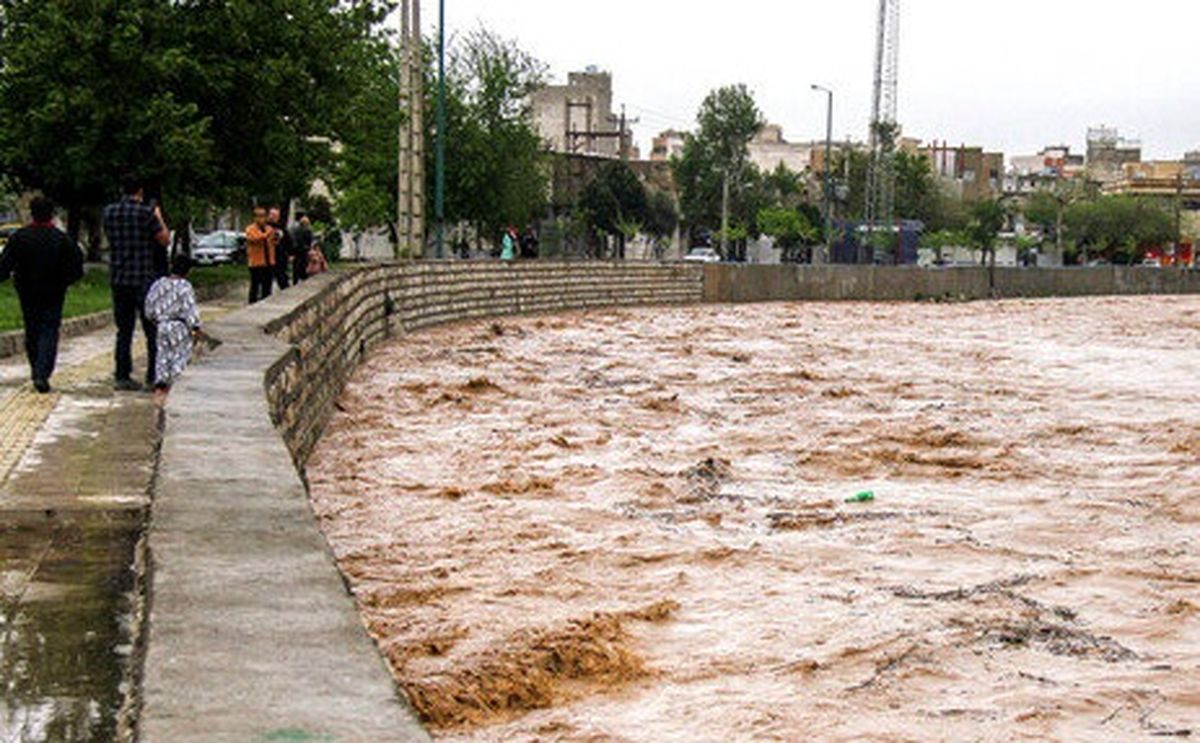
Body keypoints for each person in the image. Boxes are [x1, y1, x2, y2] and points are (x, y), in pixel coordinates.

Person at [0, 197, 84, 393]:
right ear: (52, 214)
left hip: (27, 291)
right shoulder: (61, 239)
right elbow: (76, 268)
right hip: (54, 291)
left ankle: (36, 368)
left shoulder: (20, 237)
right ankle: (42, 372)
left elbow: (5, 265)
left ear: (31, 213)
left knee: (32, 329)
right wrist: (65, 281)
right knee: (49, 329)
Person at [103, 177, 170, 391]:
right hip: (143, 278)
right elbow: (164, 240)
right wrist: (158, 217)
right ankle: (152, 376)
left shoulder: (109, 213)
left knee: (124, 330)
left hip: (119, 277)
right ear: (140, 191)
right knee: (151, 329)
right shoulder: (146, 213)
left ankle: (122, 375)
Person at [144, 253, 201, 405]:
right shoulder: (185, 286)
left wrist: (155, 319)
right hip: (180, 326)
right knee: (179, 357)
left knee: (162, 356)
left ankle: (160, 388)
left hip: (161, 325)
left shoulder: (158, 284)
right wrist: (195, 327)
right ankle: (176, 389)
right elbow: (190, 309)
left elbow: (149, 307)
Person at [245, 206, 277, 304]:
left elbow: (274, 241)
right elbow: (255, 238)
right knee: (255, 286)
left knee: (267, 286)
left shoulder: (269, 228)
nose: (262, 219)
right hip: (256, 263)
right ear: (255, 218)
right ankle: (252, 304)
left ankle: (266, 302)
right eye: (259, 216)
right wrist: (267, 234)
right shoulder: (250, 229)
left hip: (269, 262)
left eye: (263, 216)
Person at [267, 206, 291, 291]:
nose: (272, 217)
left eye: (275, 215)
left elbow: (288, 242)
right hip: (267, 258)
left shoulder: (282, 228)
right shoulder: (264, 227)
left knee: (282, 278)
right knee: (266, 281)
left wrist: (289, 254)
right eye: (271, 215)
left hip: (280, 258)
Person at [290, 214, 314, 284]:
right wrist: (309, 248)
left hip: (296, 251)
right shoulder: (308, 230)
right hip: (304, 251)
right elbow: (310, 241)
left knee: (296, 268)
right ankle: (304, 280)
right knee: (304, 267)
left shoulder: (295, 230)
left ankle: (295, 282)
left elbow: (293, 240)